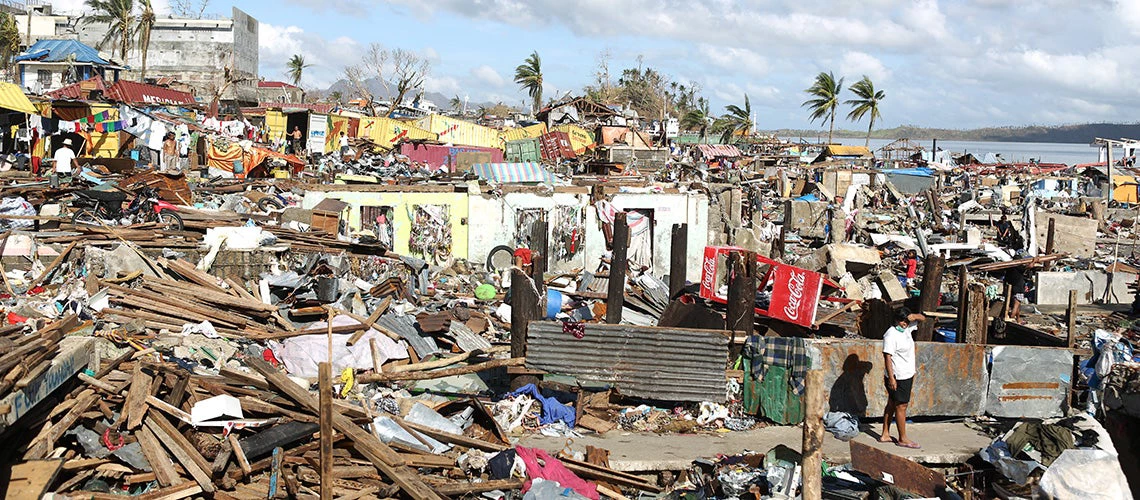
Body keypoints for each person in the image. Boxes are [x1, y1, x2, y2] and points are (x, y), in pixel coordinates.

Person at [881, 307, 924, 449]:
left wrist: (913, 316)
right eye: (901, 321)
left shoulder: (906, 329)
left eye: (905, 320)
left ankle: (885, 434)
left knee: (892, 403)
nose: (904, 323)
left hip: (906, 373)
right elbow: (887, 357)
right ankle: (903, 438)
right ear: (896, 320)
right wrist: (892, 378)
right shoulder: (891, 335)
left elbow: (923, 318)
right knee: (901, 406)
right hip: (898, 375)